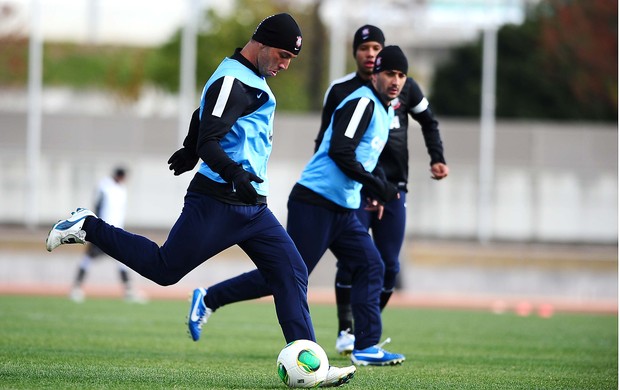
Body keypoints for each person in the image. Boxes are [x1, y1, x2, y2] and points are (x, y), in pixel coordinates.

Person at [45, 13, 355, 387]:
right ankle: (86, 225)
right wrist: (222, 164)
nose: (285, 64)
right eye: (282, 54)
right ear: (261, 43)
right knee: (164, 269)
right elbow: (212, 133)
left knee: (291, 272)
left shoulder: (248, 78)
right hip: (217, 201)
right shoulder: (233, 79)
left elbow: (203, 116)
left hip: (253, 207)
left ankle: (312, 366)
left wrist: (191, 148)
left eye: (291, 58)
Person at [185, 45, 410, 367]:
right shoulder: (362, 103)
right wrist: (379, 187)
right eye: (390, 73)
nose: (395, 81)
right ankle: (209, 298)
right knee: (287, 275)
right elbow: (341, 152)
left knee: (371, 265)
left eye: (401, 75)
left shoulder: (386, 109)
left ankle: (366, 346)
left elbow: (365, 158)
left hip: (343, 207)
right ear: (375, 74)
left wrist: (374, 188)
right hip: (315, 201)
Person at [316, 25, 449, 355]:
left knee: (389, 266)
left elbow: (429, 121)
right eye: (365, 48)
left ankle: (365, 328)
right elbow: (328, 143)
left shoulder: (403, 87)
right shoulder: (344, 91)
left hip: (393, 190)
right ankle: (348, 331)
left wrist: (437, 158)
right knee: (354, 261)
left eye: (377, 47)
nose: (371, 53)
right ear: (356, 53)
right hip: (357, 189)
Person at [68, 167, 145, 303]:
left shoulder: (122, 189)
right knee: (89, 257)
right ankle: (76, 287)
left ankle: (128, 290)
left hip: (117, 230)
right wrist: (96, 227)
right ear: (119, 176)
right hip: (103, 230)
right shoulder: (104, 186)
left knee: (123, 260)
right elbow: (97, 206)